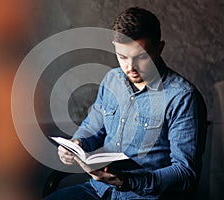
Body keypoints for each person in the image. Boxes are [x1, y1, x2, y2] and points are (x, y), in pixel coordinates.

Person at [44, 7, 207, 200]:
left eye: (141, 57)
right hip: (100, 190)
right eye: (122, 57)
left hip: (145, 196)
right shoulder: (112, 80)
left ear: (159, 48)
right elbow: (93, 128)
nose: (130, 67)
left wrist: (128, 181)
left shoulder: (182, 97)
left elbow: (185, 173)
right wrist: (76, 144)